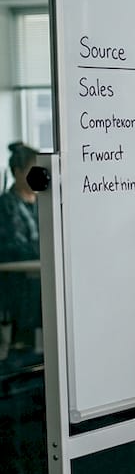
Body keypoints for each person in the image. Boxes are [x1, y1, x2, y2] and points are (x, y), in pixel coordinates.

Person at [0, 142, 41, 356]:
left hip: (38, 277)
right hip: (17, 284)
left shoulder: (43, 204)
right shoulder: (7, 204)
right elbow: (15, 247)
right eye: (31, 171)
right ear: (17, 173)